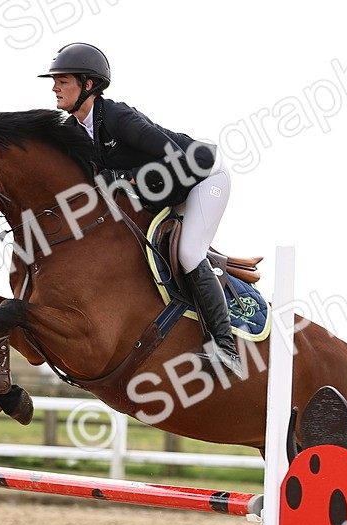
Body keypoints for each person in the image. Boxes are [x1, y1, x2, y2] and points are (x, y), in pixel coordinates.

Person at [40, 42, 243, 378]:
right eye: (55, 80)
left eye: (63, 80)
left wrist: (124, 177)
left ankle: (225, 348)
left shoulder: (117, 117)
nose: (55, 86)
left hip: (203, 177)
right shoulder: (76, 131)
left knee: (191, 253)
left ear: (88, 85)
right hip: (162, 190)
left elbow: (176, 160)